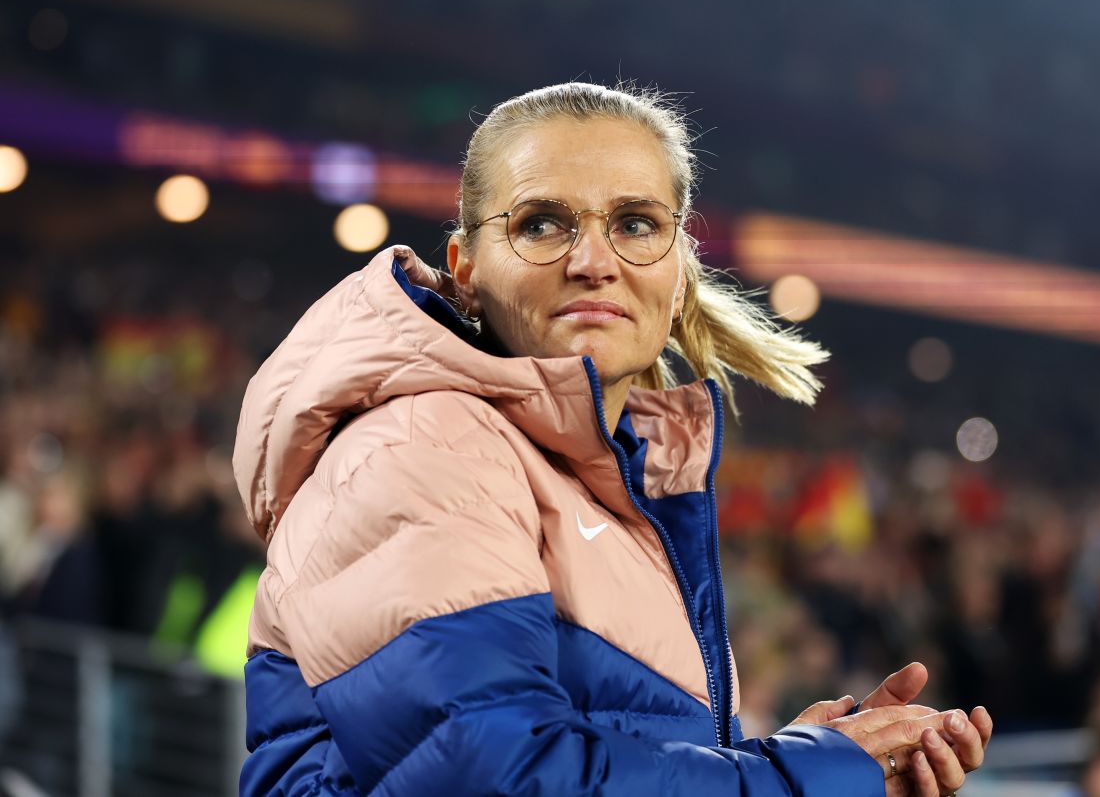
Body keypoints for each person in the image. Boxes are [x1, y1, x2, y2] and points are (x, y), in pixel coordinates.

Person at [234, 82, 993, 795]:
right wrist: (799, 779)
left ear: (678, 271)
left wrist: (777, 758)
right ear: (464, 271)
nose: (593, 262)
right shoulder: (424, 439)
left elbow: (605, 746)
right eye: (541, 223)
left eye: (635, 224)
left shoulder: (598, 471)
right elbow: (497, 773)